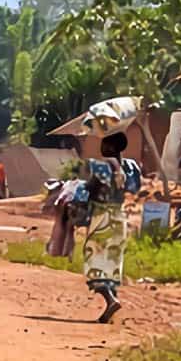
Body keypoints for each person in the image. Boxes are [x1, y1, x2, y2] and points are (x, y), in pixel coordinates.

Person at [79, 132, 142, 324]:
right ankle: (110, 311)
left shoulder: (100, 167)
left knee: (94, 262)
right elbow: (135, 188)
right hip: (119, 216)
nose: (101, 147)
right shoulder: (131, 167)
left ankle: (111, 300)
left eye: (104, 143)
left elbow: (89, 190)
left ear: (110, 146)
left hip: (102, 216)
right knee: (112, 264)